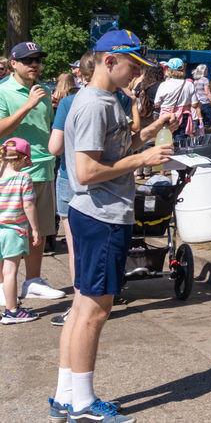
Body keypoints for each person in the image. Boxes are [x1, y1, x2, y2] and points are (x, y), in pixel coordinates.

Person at [51, 31, 173, 423]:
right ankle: (83, 404)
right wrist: (142, 160)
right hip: (101, 216)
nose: (137, 74)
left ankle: (65, 396)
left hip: (97, 214)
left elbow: (109, 150)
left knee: (81, 307)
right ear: (109, 61)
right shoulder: (92, 104)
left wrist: (145, 137)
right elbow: (85, 172)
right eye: (132, 66)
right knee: (93, 312)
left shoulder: (107, 100)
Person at [0, 41, 62, 301]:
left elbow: (47, 128)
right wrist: (27, 105)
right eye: (28, 60)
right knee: (9, 231)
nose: (35, 64)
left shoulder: (43, 90)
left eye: (38, 59)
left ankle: (33, 281)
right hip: (11, 173)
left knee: (41, 229)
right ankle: (4, 285)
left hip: (42, 168)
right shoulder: (3, 91)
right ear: (13, 63)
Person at [48, 49, 95, 328]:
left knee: (76, 247)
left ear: (81, 72)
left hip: (71, 177)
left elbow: (55, 147)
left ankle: (79, 306)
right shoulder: (120, 99)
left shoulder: (68, 102)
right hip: (109, 180)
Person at [1, 137, 41, 324]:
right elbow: (29, 205)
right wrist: (35, 229)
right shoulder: (23, 178)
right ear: (24, 159)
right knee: (10, 272)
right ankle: (12, 311)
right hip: (13, 231)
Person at [154, 58, 203, 139]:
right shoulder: (189, 84)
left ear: (170, 70)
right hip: (183, 116)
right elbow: (194, 104)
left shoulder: (163, 85)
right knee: (180, 140)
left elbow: (157, 104)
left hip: (166, 116)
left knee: (166, 139)